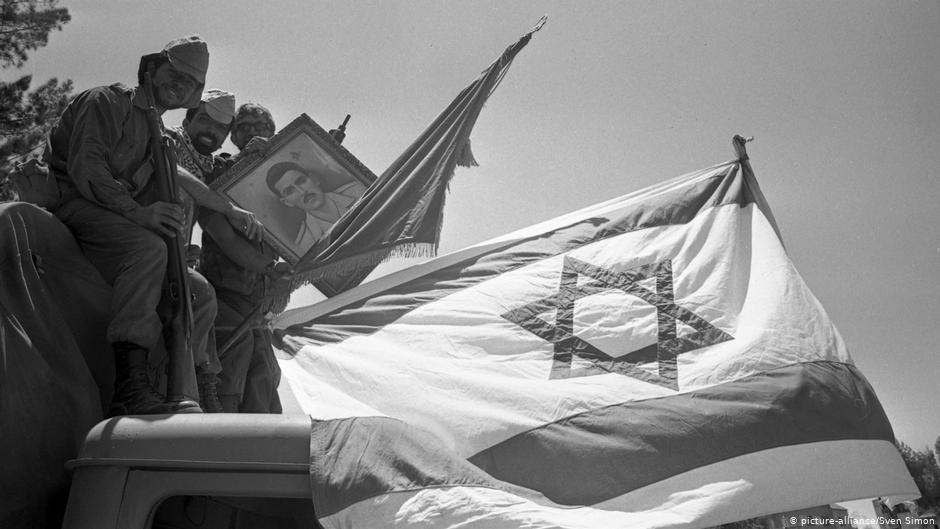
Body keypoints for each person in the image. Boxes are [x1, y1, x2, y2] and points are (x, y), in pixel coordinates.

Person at [42, 36, 262, 415]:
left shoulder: (154, 129)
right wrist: (137, 213)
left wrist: (229, 210)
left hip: (116, 219)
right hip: (77, 205)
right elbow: (87, 171)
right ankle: (130, 382)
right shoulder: (106, 101)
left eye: (192, 84)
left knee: (200, 293)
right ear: (153, 68)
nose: (182, 85)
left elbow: (180, 178)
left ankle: (200, 383)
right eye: (175, 74)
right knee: (149, 249)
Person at [198, 103, 291, 413]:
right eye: (244, 126)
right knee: (230, 363)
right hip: (225, 291)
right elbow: (216, 227)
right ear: (234, 135)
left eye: (259, 126)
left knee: (264, 374)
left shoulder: (284, 183)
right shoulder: (220, 167)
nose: (252, 131)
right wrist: (246, 160)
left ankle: (261, 445)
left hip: (260, 298)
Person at [165, 88, 240, 412]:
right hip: (143, 240)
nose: (212, 131)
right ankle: (195, 380)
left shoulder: (209, 164)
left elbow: (243, 179)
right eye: (206, 121)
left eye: (221, 128)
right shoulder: (165, 140)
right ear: (189, 118)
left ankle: (205, 381)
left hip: (176, 254)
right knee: (202, 294)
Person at [265, 161, 367, 251]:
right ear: (287, 202)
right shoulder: (305, 244)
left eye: (301, 181)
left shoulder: (359, 191)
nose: (302, 192)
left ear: (314, 179)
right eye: (290, 191)